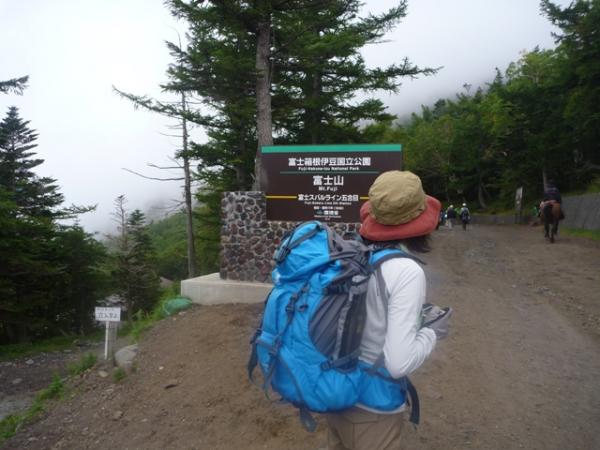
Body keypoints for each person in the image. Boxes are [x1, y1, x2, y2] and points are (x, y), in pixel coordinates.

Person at [326, 170, 452, 450]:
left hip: (336, 391)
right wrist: (432, 331)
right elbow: (398, 363)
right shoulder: (406, 270)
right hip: (373, 408)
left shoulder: (356, 253)